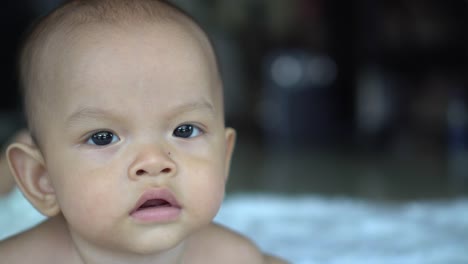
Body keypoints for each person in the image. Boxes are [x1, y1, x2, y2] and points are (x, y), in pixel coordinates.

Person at [0, 0, 287, 263]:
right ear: (42, 179)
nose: (154, 162)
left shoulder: (232, 257)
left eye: (185, 130)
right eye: (103, 137)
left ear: (224, 158)